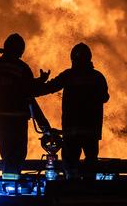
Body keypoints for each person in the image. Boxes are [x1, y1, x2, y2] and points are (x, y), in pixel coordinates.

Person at [0, 33, 53, 180]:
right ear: (20, 50)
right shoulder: (21, 67)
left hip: (0, 117)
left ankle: (8, 181)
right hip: (17, 117)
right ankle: (12, 183)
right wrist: (42, 81)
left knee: (6, 152)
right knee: (17, 152)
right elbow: (29, 92)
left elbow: (15, 87)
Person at [45, 43, 109, 179]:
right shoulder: (98, 77)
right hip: (91, 131)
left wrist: (33, 87)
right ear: (89, 58)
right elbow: (105, 97)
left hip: (71, 131)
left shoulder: (68, 76)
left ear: (72, 59)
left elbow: (50, 87)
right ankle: (88, 192)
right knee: (91, 161)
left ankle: (71, 188)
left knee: (69, 164)